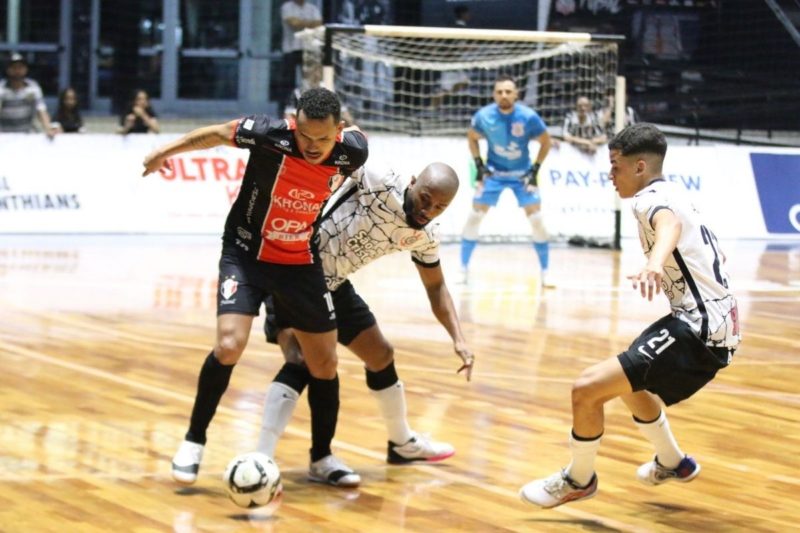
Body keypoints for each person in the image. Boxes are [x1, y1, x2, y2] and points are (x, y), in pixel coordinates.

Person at [141, 88, 369, 486]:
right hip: (246, 254)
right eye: (305, 135)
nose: (312, 146)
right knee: (229, 346)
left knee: (324, 363)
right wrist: (164, 151)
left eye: (322, 138)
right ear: (294, 124)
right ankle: (193, 441)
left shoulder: (354, 150)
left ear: (339, 131)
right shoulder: (268, 134)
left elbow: (359, 148)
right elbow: (216, 134)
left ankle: (322, 458)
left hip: (299, 262)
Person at [519, 123, 740, 509]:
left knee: (586, 389)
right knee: (628, 382)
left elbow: (668, 225)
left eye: (615, 165)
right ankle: (673, 462)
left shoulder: (647, 199)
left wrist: (654, 263)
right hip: (713, 321)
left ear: (640, 167)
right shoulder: (674, 192)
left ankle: (578, 479)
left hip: (699, 328)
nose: (610, 174)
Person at [257, 161, 474, 486]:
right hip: (294, 274)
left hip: (334, 284)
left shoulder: (425, 236)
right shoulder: (379, 179)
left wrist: (459, 338)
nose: (428, 210)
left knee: (380, 355)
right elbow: (335, 159)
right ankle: (262, 458)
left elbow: (436, 286)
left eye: (439, 207)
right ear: (413, 182)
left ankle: (401, 443)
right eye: (425, 198)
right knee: (304, 361)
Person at [460, 75, 553, 286]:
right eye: (499, 92)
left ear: (516, 94)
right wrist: (479, 165)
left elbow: (546, 142)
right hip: (494, 173)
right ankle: (463, 269)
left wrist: (535, 169)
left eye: (508, 91)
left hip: (522, 174)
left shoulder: (528, 117)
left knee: (537, 220)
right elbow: (472, 137)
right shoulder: (484, 116)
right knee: (474, 217)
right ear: (494, 94)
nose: (504, 95)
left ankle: (545, 272)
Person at [280, 0, 322, 116]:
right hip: (291, 49)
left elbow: (319, 23)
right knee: (287, 83)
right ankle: (285, 110)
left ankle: (309, 111)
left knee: (310, 82)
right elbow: (294, 24)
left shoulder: (312, 8)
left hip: (308, 49)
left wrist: (301, 23)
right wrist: (310, 24)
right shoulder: (287, 7)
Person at [0, 52, 56, 137]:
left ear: (26, 69)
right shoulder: (1, 87)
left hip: (27, 136)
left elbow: (41, 110)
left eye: (20, 67)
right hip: (5, 135)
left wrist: (48, 128)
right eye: (14, 67)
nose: (17, 71)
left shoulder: (33, 88)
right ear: (8, 70)